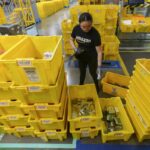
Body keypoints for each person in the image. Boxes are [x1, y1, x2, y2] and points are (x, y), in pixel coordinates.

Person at [70, 12, 102, 94]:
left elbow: (99, 52)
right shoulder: (76, 29)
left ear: (92, 23)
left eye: (89, 26)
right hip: (81, 55)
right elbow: (71, 40)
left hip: (92, 56)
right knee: (82, 72)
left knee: (93, 73)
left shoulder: (95, 34)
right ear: (79, 24)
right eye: (83, 27)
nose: (86, 29)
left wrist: (99, 66)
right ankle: (81, 85)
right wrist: (75, 49)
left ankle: (97, 87)